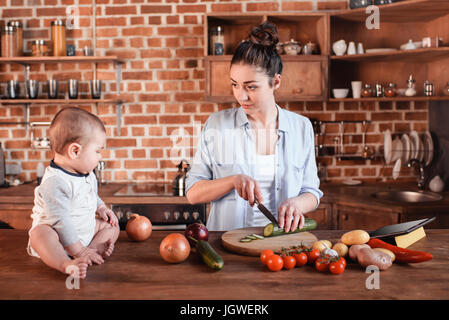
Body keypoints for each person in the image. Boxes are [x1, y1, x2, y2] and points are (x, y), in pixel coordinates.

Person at [186, 21, 323, 232]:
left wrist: (297, 203)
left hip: (281, 246)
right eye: (235, 84)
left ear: (275, 82)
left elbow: (312, 192)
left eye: (251, 87)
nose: (241, 95)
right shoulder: (217, 124)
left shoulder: (301, 127)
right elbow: (193, 193)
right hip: (227, 244)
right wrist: (232, 181)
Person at [27, 107, 119, 279]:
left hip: (83, 233)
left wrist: (101, 208)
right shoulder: (55, 183)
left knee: (112, 226)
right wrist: (79, 250)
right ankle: (65, 263)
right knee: (40, 234)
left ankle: (92, 250)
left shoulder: (87, 173)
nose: (100, 157)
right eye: (97, 151)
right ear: (75, 151)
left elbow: (91, 194)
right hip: (58, 240)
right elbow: (61, 222)